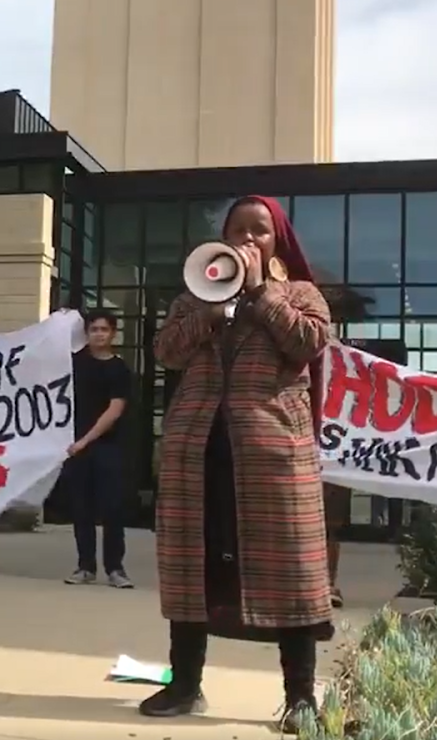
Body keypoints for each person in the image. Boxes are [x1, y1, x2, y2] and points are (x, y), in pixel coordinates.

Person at [141, 195, 333, 731]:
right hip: (198, 450)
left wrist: (261, 294)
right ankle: (184, 685)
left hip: (273, 455)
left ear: (278, 242)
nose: (249, 239)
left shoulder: (300, 294)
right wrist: (209, 308)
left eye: (261, 231)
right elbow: (168, 352)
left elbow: (310, 343)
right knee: (191, 566)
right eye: (238, 230)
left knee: (290, 571)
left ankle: (300, 698)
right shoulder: (194, 295)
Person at [62, 309, 134, 589]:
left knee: (112, 509)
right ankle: (85, 567)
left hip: (108, 448)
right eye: (94, 329)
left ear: (113, 333)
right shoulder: (74, 363)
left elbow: (114, 410)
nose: (99, 334)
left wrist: (85, 440)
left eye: (104, 329)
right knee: (82, 509)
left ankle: (115, 568)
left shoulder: (119, 369)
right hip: (76, 449)